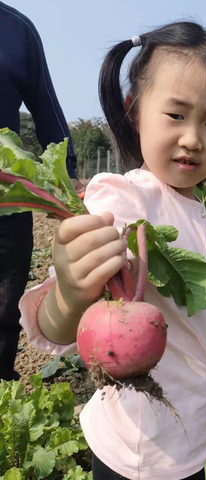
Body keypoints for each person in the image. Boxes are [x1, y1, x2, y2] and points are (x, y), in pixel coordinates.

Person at [19, 21, 206, 480]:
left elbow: (203, 321)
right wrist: (71, 292)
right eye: (176, 115)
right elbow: (55, 327)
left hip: (190, 427)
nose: (193, 138)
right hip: (137, 443)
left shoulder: (194, 206)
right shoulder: (124, 197)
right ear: (135, 112)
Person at [0, 1, 85, 381]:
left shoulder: (17, 29)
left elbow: (45, 105)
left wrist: (67, 177)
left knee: (6, 297)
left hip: (8, 193)